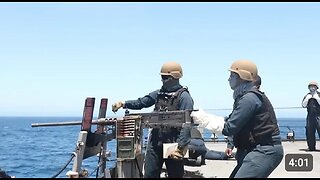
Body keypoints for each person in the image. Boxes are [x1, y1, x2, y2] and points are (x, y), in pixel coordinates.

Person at [190, 59, 284, 178]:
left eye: (232, 75)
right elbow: (232, 120)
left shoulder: (249, 99)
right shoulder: (244, 97)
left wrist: (204, 120)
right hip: (255, 149)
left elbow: (230, 127)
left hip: (264, 150)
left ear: (242, 77)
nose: (228, 79)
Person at [112, 61, 194, 178]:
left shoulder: (184, 97)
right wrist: (124, 104)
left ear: (174, 77)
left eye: (165, 77)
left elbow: (187, 124)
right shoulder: (159, 94)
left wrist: (181, 147)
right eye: (162, 77)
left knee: (175, 175)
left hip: (173, 142)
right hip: (155, 140)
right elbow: (142, 102)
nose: (163, 80)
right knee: (150, 174)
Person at [301, 81, 320, 151]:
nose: (312, 88)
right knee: (310, 132)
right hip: (310, 116)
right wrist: (307, 99)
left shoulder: (319, 95)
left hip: (319, 115)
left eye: (314, 86)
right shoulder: (307, 95)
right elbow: (303, 105)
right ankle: (311, 147)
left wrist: (317, 98)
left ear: (316, 87)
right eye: (311, 87)